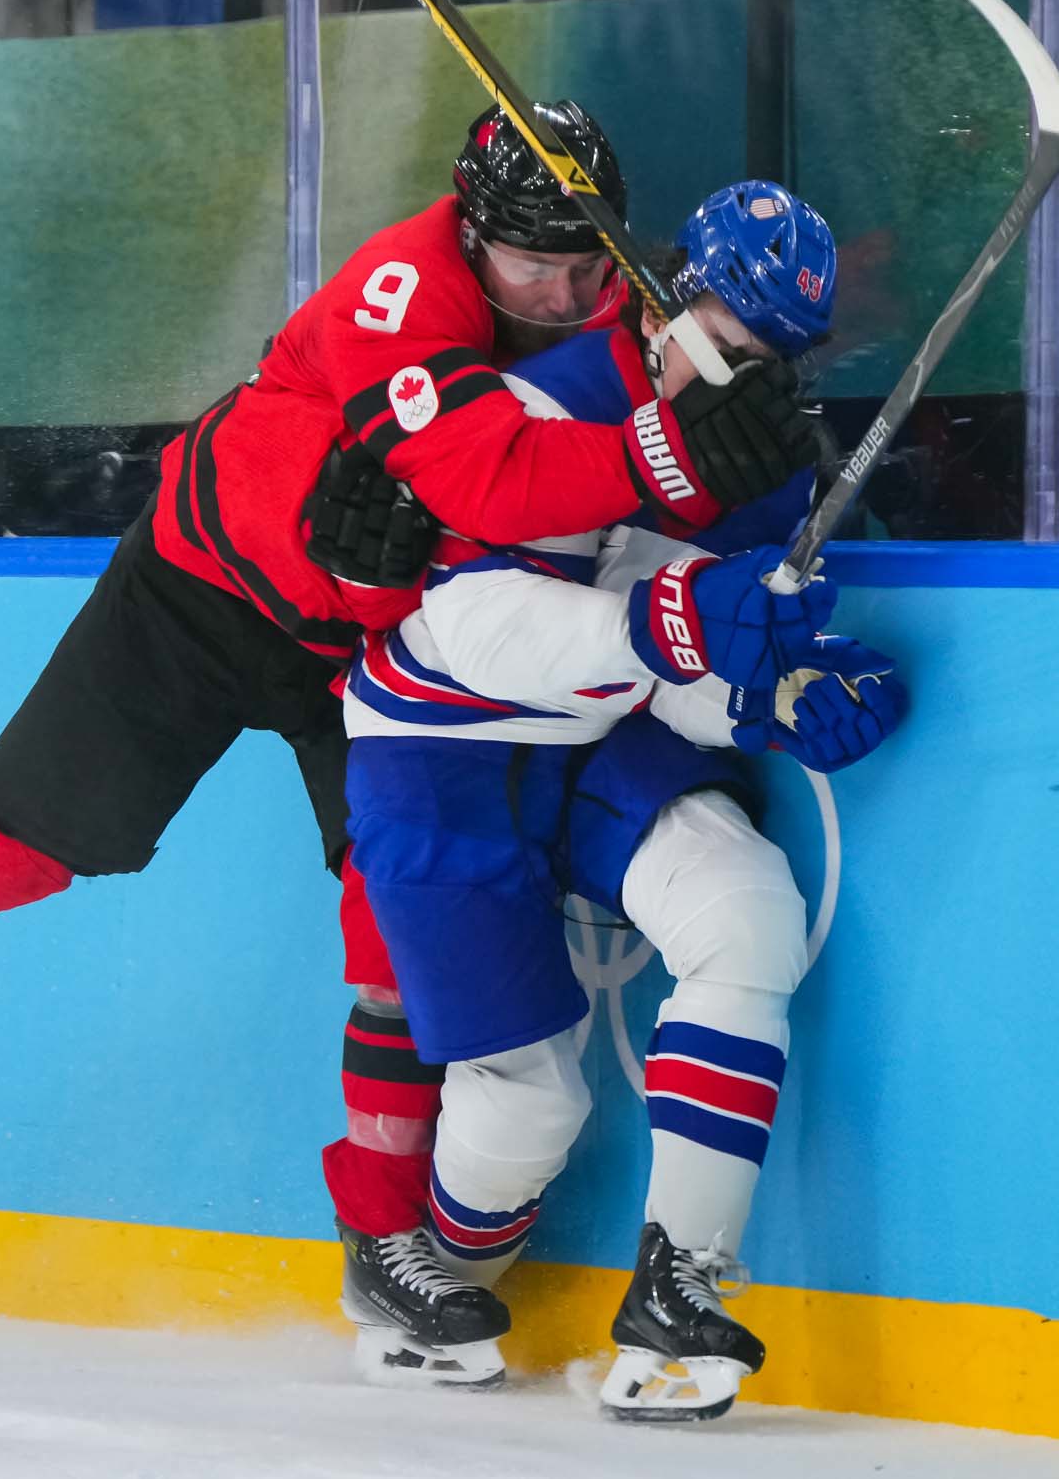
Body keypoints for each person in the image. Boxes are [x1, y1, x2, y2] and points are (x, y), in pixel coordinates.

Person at [0, 100, 831, 1252]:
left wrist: (719, 418)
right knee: (8, 854)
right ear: (473, 233)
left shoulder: (612, 304)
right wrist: (670, 451)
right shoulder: (399, 288)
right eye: (536, 267)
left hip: (366, 649)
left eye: (587, 266)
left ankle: (382, 1240)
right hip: (206, 597)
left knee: (398, 932)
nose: (568, 297)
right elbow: (490, 481)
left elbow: (563, 487)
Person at [334, 182, 907, 1417]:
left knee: (744, 911)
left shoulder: (760, 461)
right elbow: (472, 626)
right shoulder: (545, 402)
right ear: (661, 304)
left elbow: (689, 657)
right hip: (441, 747)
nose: (757, 378)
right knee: (529, 1104)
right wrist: (668, 624)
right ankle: (425, 1278)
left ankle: (676, 1286)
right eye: (736, 339)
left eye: (784, 355)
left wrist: (777, 694)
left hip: (600, 739)